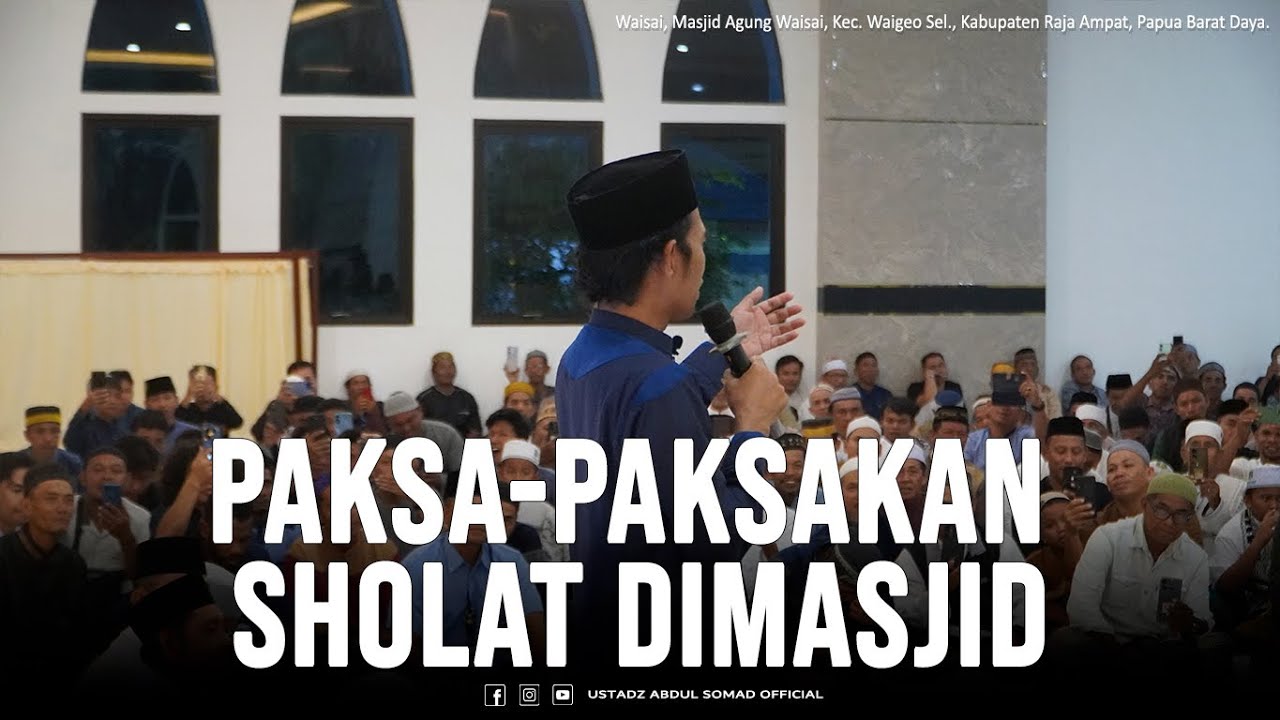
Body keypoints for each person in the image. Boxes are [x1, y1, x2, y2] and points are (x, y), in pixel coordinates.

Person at [557, 149, 803, 666]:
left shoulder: (580, 357)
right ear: (671, 257)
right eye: (701, 244)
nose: (705, 258)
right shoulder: (657, 383)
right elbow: (709, 546)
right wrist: (753, 430)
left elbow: (643, 406)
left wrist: (724, 351)